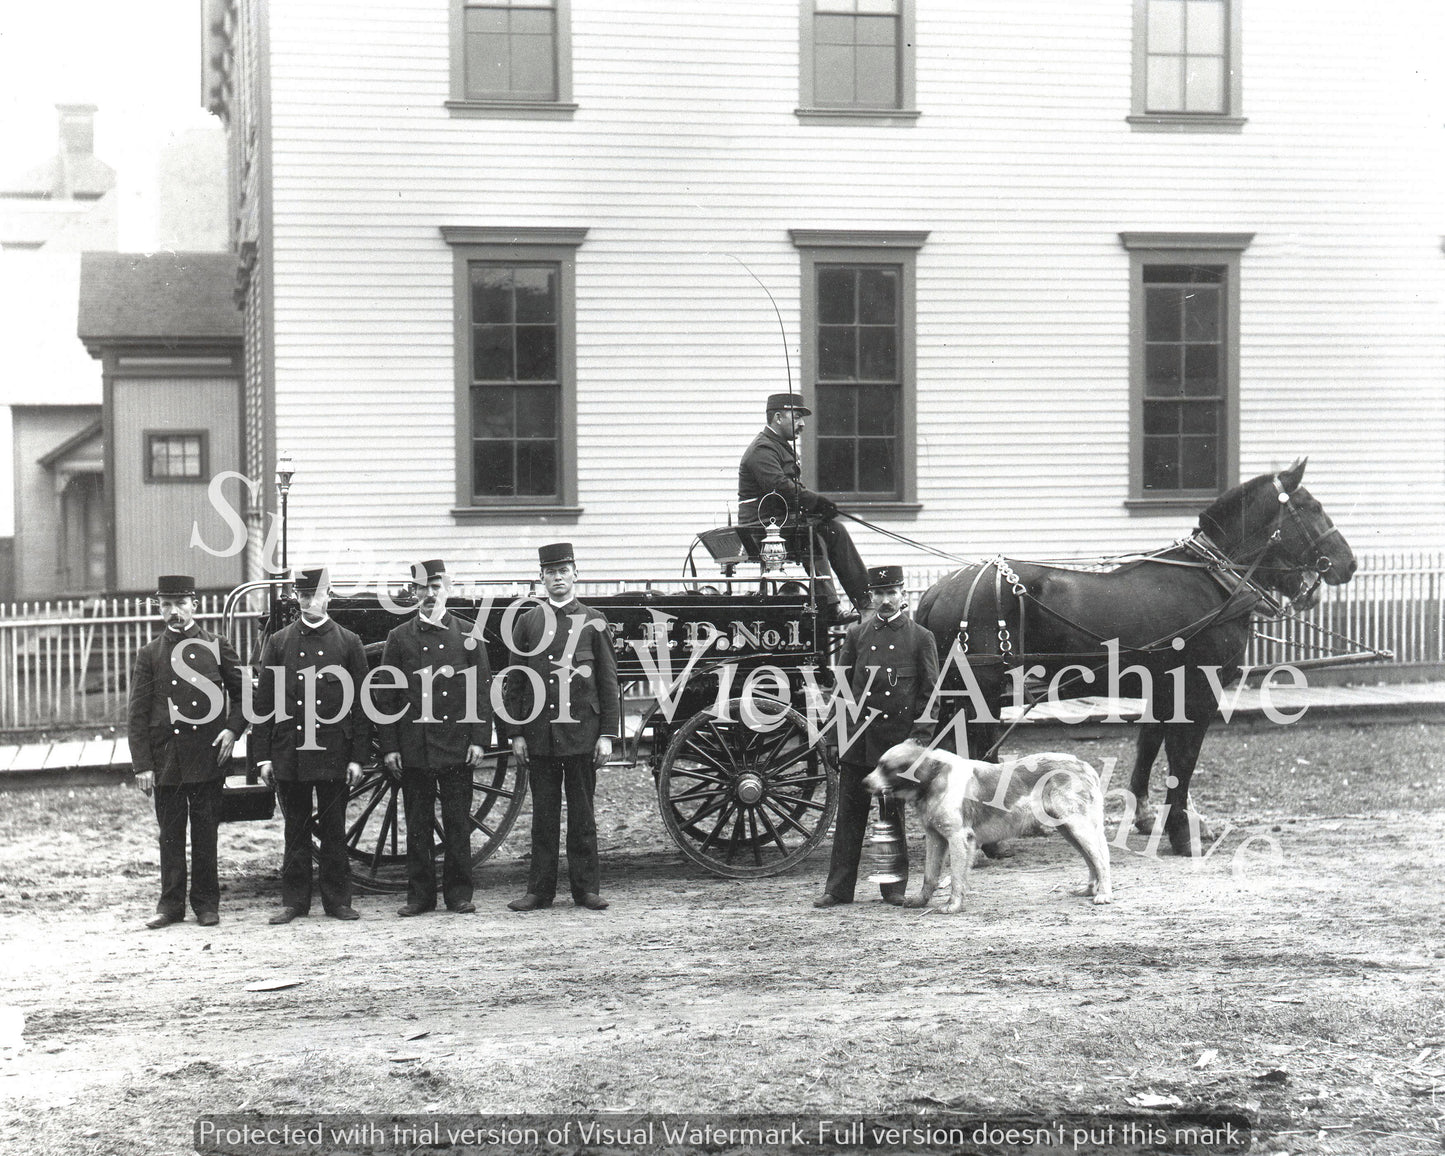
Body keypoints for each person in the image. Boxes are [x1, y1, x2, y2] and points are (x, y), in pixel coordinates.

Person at [814, 564, 939, 909]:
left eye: (891, 593)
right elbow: (842, 691)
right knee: (849, 817)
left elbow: (930, 695)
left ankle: (893, 888)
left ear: (902, 594)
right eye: (879, 594)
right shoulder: (856, 635)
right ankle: (838, 889)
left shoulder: (920, 638)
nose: (885, 600)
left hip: (894, 746)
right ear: (871, 596)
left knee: (891, 816)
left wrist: (917, 741)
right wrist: (834, 737)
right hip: (858, 740)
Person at [503, 543, 619, 912]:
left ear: (575, 574)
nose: (557, 577)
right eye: (550, 572)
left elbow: (608, 681)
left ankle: (586, 890)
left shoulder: (593, 620)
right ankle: (540, 891)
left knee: (582, 815)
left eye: (563, 570)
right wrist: (516, 733)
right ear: (541, 578)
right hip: (540, 736)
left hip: (583, 734)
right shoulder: (528, 622)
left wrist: (607, 734)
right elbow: (516, 682)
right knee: (544, 816)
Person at [127, 574, 246, 929]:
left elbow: (245, 695)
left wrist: (232, 729)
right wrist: (142, 765)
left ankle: (207, 904)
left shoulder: (216, 644)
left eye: (180, 604)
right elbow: (137, 711)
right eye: (166, 605)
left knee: (206, 832)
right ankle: (170, 906)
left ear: (194, 604)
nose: (173, 612)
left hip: (208, 755)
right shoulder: (150, 653)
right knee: (171, 834)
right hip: (167, 759)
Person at [253, 567, 369, 923]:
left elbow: (362, 705)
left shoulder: (348, 642)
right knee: (296, 830)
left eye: (316, 594)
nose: (309, 601)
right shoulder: (279, 642)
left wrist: (358, 757)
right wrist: (262, 758)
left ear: (329, 595)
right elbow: (264, 704)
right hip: (290, 752)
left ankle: (338, 902)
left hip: (334, 750)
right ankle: (295, 902)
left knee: (334, 829)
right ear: (297, 598)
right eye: (303, 596)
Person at [376, 560, 492, 916]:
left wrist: (479, 740)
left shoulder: (469, 634)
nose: (429, 594)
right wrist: (391, 747)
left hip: (457, 743)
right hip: (415, 746)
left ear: (448, 588)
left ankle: (459, 894)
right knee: (418, 824)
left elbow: (481, 692)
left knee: (457, 823)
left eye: (435, 586)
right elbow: (386, 697)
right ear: (414, 592)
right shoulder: (399, 638)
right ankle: (420, 897)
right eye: (422, 588)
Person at [737, 392, 870, 617]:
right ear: (778, 418)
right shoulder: (763, 449)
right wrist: (816, 502)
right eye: (797, 416)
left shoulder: (779, 446)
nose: (802, 424)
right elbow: (779, 486)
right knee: (811, 534)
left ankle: (867, 601)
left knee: (835, 529)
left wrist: (818, 509)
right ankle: (828, 606)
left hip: (779, 522)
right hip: (759, 526)